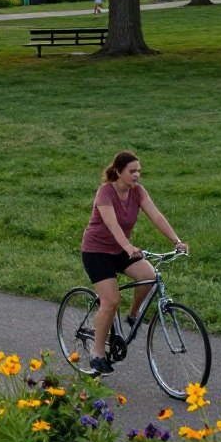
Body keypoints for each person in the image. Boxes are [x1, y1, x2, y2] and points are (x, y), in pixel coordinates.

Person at [80, 151, 188, 377]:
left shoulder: (138, 192)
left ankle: (133, 314)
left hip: (120, 249)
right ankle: (97, 355)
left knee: (149, 276)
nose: (136, 175)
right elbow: (111, 225)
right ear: (118, 171)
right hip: (96, 251)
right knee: (111, 301)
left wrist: (176, 241)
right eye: (132, 171)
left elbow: (156, 216)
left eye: (139, 171)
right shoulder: (105, 192)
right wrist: (128, 247)